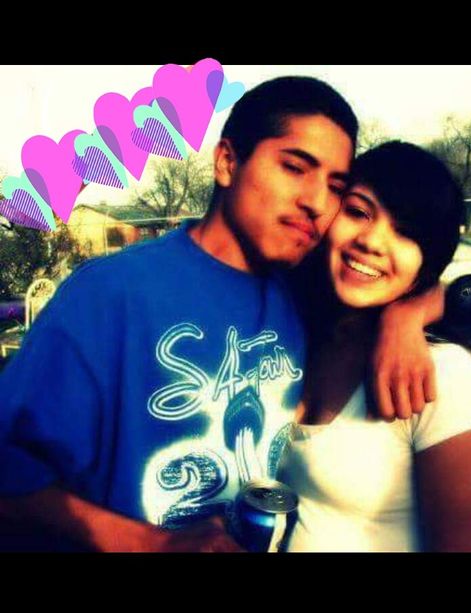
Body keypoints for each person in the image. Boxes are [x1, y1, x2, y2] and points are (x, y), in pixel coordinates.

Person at [0, 78, 441, 552]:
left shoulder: (303, 292)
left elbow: (443, 285)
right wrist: (152, 544)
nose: (316, 203)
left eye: (335, 187)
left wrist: (403, 319)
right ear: (227, 162)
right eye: (295, 167)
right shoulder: (110, 293)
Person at [279, 141, 471, 552]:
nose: (372, 241)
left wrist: (407, 314)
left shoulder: (444, 378)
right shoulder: (290, 328)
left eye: (406, 233)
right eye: (358, 212)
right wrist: (407, 313)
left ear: (428, 263)